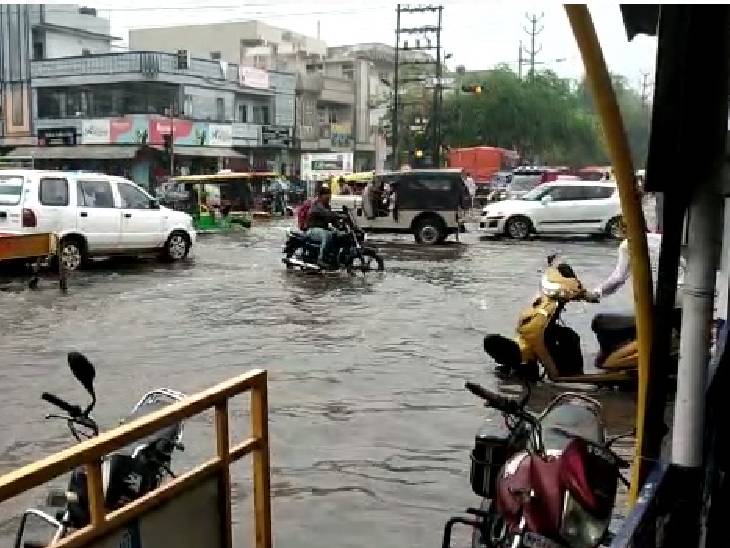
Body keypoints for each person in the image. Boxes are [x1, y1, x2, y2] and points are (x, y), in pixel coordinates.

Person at [306, 185, 341, 267]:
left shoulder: (327, 206)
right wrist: (338, 215)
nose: (329, 199)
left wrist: (339, 225)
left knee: (337, 234)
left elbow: (332, 218)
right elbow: (326, 213)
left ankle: (334, 258)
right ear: (321, 196)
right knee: (327, 235)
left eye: (329, 198)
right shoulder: (317, 205)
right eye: (327, 197)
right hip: (312, 230)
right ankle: (320, 259)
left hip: (322, 229)